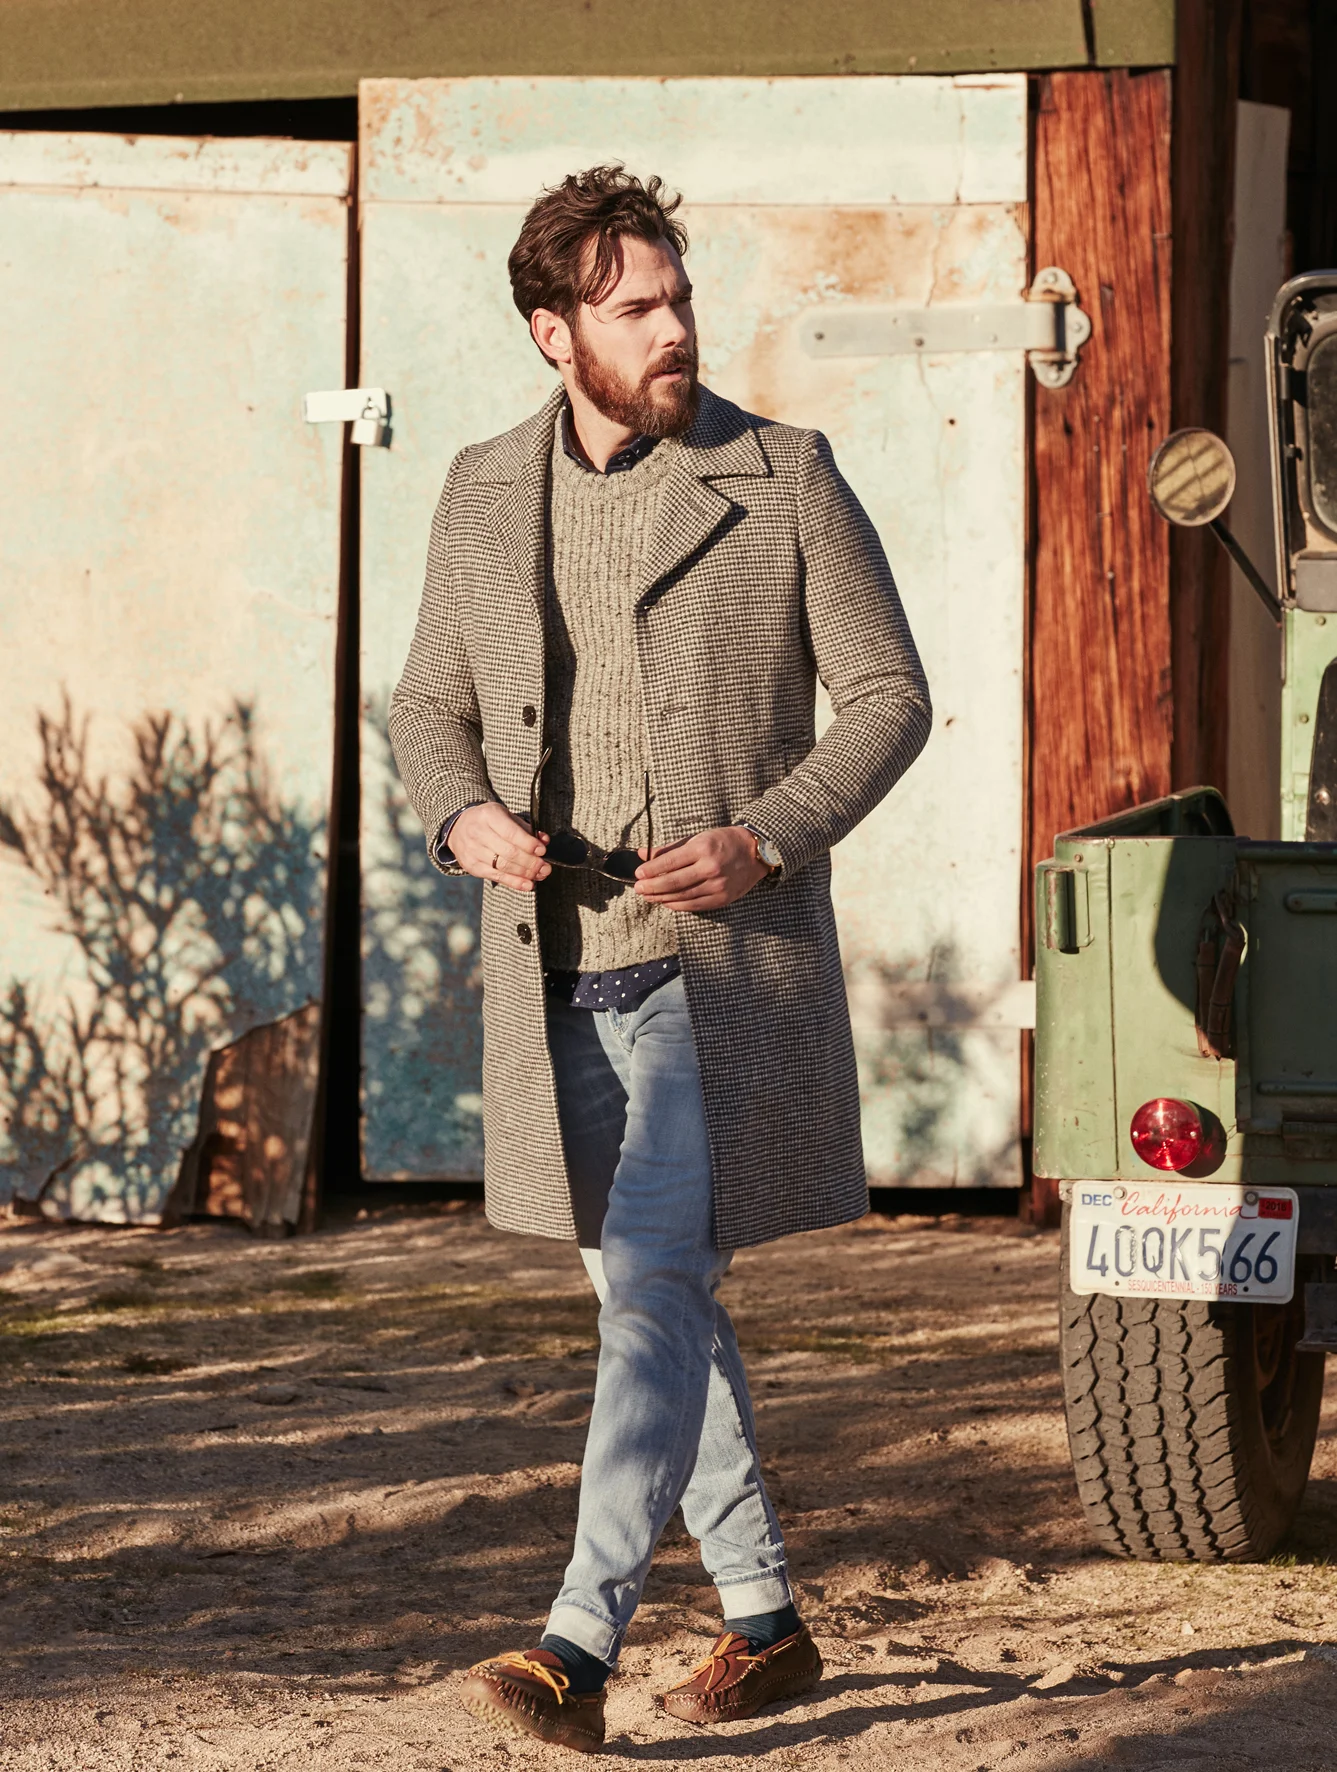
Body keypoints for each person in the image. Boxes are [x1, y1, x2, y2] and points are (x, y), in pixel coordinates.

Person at [388, 164, 930, 1753]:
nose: (676, 328)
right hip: (555, 971)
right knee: (659, 1301)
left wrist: (767, 836)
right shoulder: (483, 490)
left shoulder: (785, 474)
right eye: (636, 309)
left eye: (680, 298)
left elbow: (890, 697)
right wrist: (461, 815)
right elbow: (428, 705)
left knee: (650, 1298)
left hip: (716, 975)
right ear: (554, 333)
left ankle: (576, 1645)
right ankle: (765, 1621)